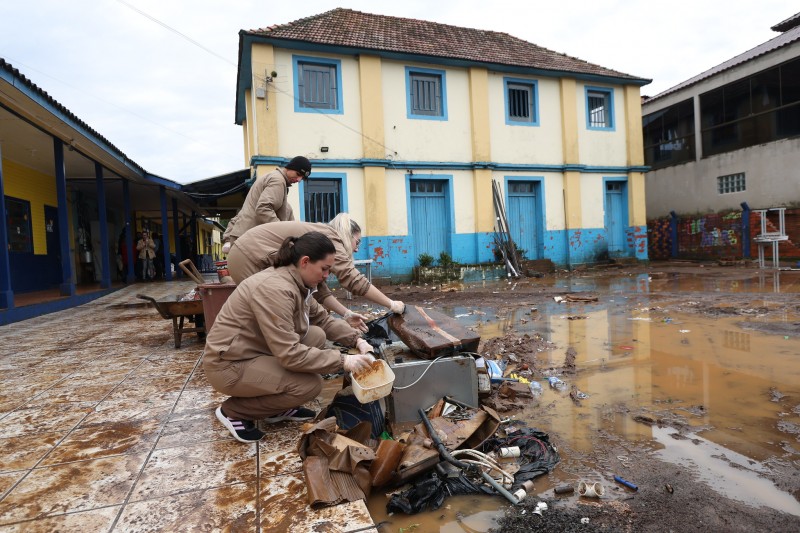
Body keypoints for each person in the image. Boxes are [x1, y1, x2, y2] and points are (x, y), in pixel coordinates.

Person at [203, 231, 376, 443]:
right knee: (309, 386)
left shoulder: (296, 282)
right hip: (228, 365)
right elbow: (289, 354)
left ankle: (277, 407)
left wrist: (358, 341)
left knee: (316, 334)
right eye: (324, 269)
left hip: (254, 350)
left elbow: (324, 320)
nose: (326, 276)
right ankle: (234, 411)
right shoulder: (276, 289)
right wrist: (344, 361)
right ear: (305, 262)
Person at [226, 213, 405, 331]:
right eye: (357, 242)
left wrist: (346, 314)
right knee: (277, 315)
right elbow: (353, 279)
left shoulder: (323, 235)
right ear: (347, 234)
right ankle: (280, 365)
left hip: (245, 253)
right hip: (249, 257)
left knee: (294, 310)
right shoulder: (332, 238)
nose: (357, 249)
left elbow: (319, 290)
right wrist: (390, 303)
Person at [221, 156, 311, 254]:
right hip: (251, 241)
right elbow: (263, 209)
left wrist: (228, 237)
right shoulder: (278, 181)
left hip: (244, 238)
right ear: (289, 167)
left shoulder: (271, 177)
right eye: (298, 174)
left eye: (302, 178)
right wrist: (282, 231)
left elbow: (245, 212)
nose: (298, 180)